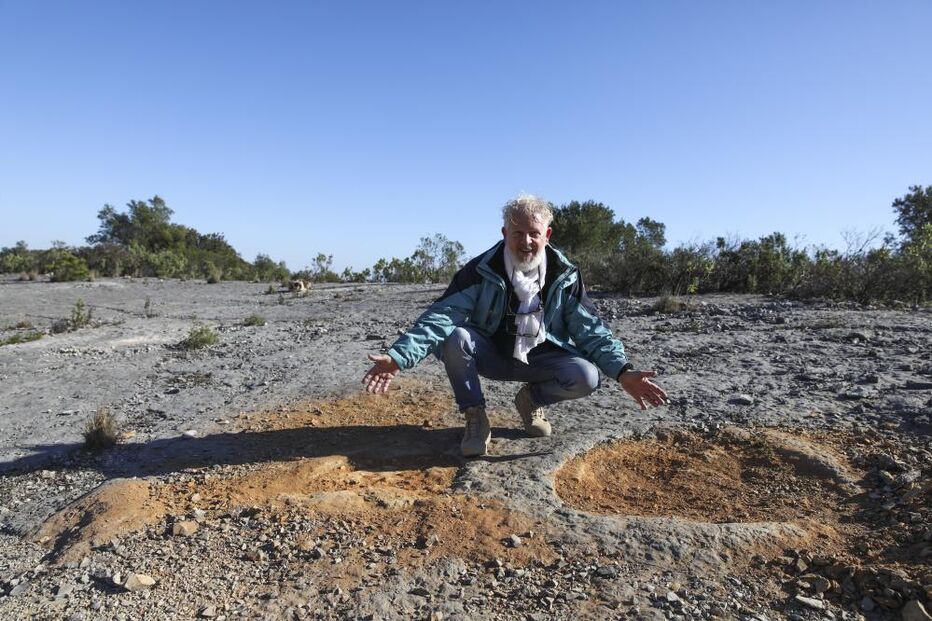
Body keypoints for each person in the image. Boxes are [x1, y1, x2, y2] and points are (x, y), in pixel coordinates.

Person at [362, 194, 668, 457]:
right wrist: (400, 356)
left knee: (586, 376)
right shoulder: (481, 270)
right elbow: (442, 316)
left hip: (540, 360)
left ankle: (530, 400)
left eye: (534, 233)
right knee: (455, 336)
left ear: (547, 234)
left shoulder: (565, 275)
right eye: (517, 233)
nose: (526, 242)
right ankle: (475, 416)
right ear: (504, 232)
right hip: (491, 355)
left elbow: (591, 330)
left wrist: (623, 371)